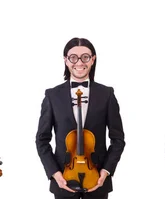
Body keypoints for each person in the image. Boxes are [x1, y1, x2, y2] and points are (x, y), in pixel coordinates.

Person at [35, 37, 126, 199]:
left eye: (85, 57)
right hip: (63, 178)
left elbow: (118, 139)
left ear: (92, 60)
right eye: (73, 57)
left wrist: (105, 172)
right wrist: (55, 174)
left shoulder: (107, 94)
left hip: (97, 178)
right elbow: (42, 139)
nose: (79, 62)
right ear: (66, 60)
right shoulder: (52, 95)